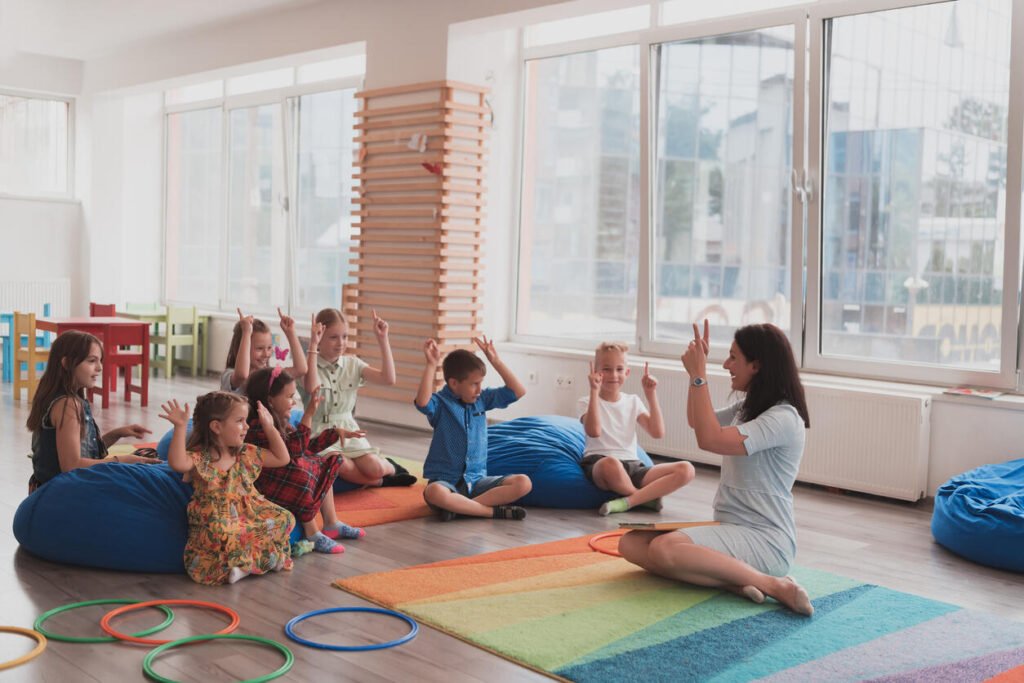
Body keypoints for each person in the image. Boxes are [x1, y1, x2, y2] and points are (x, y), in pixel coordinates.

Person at [618, 321, 815, 616]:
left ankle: (775, 585)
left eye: (733, 357)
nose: (726, 365)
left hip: (766, 541)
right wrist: (694, 376)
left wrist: (700, 374)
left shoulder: (783, 418)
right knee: (630, 544)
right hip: (730, 528)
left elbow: (709, 439)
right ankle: (734, 582)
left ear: (757, 365)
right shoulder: (747, 407)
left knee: (664, 549)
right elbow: (697, 421)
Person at [160, 392, 295, 585]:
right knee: (223, 532)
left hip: (250, 511)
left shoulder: (246, 453)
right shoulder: (202, 457)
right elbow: (177, 463)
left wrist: (270, 427)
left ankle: (248, 565)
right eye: (240, 421)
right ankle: (246, 566)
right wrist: (180, 427)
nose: (246, 426)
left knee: (285, 517)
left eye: (246, 420)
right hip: (217, 516)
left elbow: (283, 458)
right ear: (216, 427)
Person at [244, 365, 367, 555]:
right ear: (270, 400)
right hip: (265, 487)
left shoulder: (280, 422)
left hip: (283, 480)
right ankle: (312, 533)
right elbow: (294, 452)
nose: (294, 402)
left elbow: (305, 448)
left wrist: (335, 434)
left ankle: (331, 523)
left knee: (324, 461)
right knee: (299, 470)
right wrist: (308, 416)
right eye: (289, 396)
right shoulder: (258, 426)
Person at [25, 330, 159, 492]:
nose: (100, 367)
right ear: (66, 363)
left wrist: (117, 433)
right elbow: (71, 466)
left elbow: (85, 452)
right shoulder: (67, 405)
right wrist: (120, 461)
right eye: (91, 361)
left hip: (54, 487)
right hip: (61, 492)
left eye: (100, 361)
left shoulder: (62, 398)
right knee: (142, 473)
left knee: (146, 457)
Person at [415, 335, 531, 521]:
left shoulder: (481, 399)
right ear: (454, 383)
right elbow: (422, 403)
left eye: (481, 383)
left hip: (477, 482)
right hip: (446, 482)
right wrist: (431, 365)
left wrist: (495, 361)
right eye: (474, 384)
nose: (479, 389)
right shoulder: (440, 403)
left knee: (524, 482)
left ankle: (460, 507)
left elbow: (518, 391)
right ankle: (489, 512)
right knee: (434, 492)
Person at [297, 307, 415, 487]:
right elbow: (311, 388)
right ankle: (381, 482)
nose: (341, 343)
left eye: (345, 336)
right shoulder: (305, 366)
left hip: (349, 429)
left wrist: (383, 339)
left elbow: (388, 379)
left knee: (375, 467)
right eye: (334, 337)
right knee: (338, 463)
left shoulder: (353, 364)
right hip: (318, 433)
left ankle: (390, 467)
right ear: (319, 337)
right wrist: (312, 345)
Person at [580, 342, 695, 515]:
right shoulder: (586, 401)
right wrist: (594, 391)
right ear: (596, 372)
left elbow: (657, 432)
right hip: (600, 463)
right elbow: (594, 431)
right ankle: (643, 498)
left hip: (633, 466)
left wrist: (651, 394)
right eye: (606, 369)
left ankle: (629, 501)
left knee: (687, 469)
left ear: (627, 373)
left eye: (619, 369)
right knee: (610, 463)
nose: (614, 375)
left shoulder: (633, 401)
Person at [221, 307, 308, 394]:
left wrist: (291, 333)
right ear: (241, 347)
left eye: (269, 348)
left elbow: (300, 369)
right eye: (259, 348)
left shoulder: (268, 376)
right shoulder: (228, 375)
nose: (266, 354)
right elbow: (242, 375)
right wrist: (246, 333)